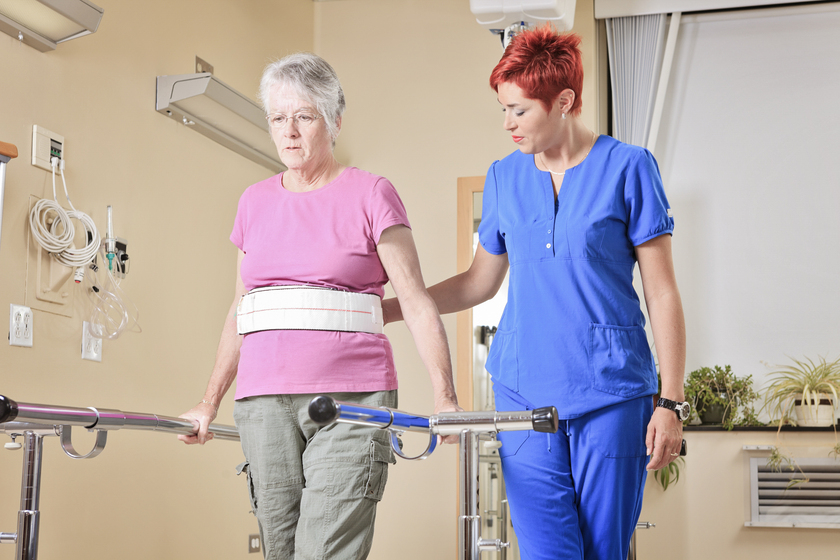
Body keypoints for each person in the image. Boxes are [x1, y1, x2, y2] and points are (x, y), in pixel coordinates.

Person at [383, 27, 686, 560]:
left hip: (611, 391)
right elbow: (480, 281)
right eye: (503, 109)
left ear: (563, 102)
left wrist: (671, 401)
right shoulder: (504, 177)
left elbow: (662, 294)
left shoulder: (629, 167)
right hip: (524, 390)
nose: (507, 124)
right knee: (547, 551)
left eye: (519, 110)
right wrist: (395, 307)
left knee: (602, 549)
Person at [178, 52, 460, 560]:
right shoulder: (253, 202)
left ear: (332, 120)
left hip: (351, 400)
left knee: (323, 551)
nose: (289, 131)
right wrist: (208, 400)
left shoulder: (372, 194)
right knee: (280, 550)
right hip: (262, 402)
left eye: (303, 116)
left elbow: (416, 302)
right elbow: (242, 309)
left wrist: (446, 398)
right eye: (277, 118)